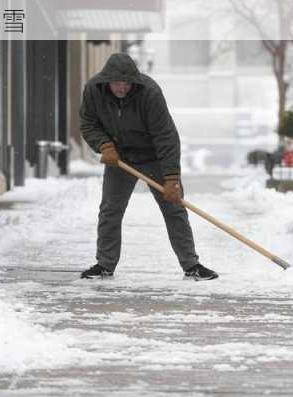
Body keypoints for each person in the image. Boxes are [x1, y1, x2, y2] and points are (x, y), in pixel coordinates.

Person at [79, 53, 218, 281]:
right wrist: (104, 145)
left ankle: (191, 265)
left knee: (174, 208)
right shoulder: (94, 90)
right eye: (117, 83)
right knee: (110, 211)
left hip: (154, 156)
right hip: (120, 158)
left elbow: (166, 136)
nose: (122, 88)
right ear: (107, 81)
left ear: (134, 80)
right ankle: (105, 264)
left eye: (126, 83)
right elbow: (88, 123)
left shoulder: (149, 92)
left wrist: (171, 178)